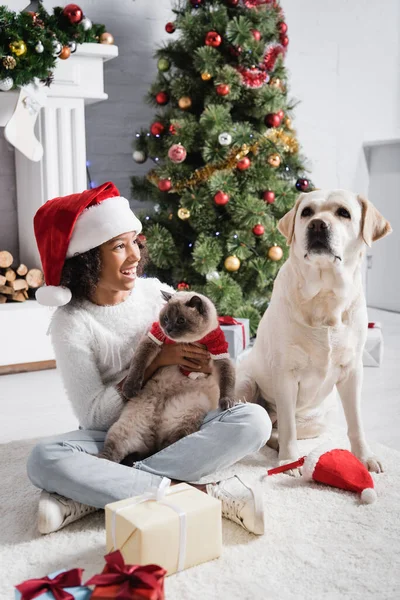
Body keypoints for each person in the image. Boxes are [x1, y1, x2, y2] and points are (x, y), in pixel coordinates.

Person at [27, 182, 272, 536]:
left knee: (255, 420)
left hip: (180, 418)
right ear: (88, 260)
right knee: (43, 458)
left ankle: (93, 491)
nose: (135, 256)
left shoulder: (154, 291)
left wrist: (205, 369)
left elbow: (206, 346)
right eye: (118, 246)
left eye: (134, 242)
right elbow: (94, 416)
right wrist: (156, 363)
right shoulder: (70, 323)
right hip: (117, 431)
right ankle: (203, 493)